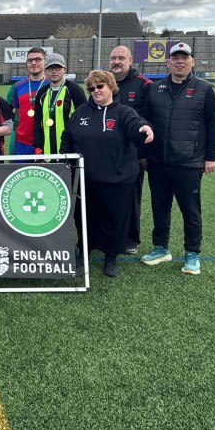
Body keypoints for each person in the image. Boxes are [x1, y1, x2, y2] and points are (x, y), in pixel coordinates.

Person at [61, 71, 154, 277]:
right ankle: (83, 250)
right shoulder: (81, 112)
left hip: (118, 179)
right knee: (85, 218)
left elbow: (135, 124)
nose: (95, 91)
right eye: (91, 88)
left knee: (114, 219)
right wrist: (65, 159)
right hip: (86, 179)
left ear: (111, 87)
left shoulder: (124, 112)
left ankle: (111, 257)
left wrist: (144, 128)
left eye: (100, 86)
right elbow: (67, 136)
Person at [140, 42, 215, 275]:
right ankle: (161, 247)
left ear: (192, 61)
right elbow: (145, 122)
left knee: (190, 210)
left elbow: (213, 124)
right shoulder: (155, 88)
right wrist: (144, 155)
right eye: (175, 57)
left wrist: (210, 157)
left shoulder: (205, 89)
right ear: (168, 62)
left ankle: (192, 253)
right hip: (157, 161)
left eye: (184, 57)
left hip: (189, 162)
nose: (179, 61)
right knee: (159, 207)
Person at [109, 45, 153, 255]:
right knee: (106, 195)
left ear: (130, 61)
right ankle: (106, 235)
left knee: (131, 197)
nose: (116, 62)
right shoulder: (104, 83)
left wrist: (144, 154)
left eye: (121, 58)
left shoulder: (144, 84)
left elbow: (152, 121)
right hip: (106, 152)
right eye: (113, 58)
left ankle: (130, 239)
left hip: (133, 155)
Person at [32, 53, 87, 155]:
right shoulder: (42, 92)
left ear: (64, 69)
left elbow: (85, 119)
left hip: (70, 150)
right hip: (46, 150)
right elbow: (37, 121)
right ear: (45, 71)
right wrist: (37, 144)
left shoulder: (74, 90)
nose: (53, 71)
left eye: (57, 68)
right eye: (50, 68)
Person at [6, 46, 47, 156]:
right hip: (21, 142)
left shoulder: (51, 85)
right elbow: (16, 111)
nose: (33, 63)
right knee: (19, 172)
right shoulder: (17, 87)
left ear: (45, 62)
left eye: (38, 59)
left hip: (45, 140)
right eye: (30, 60)